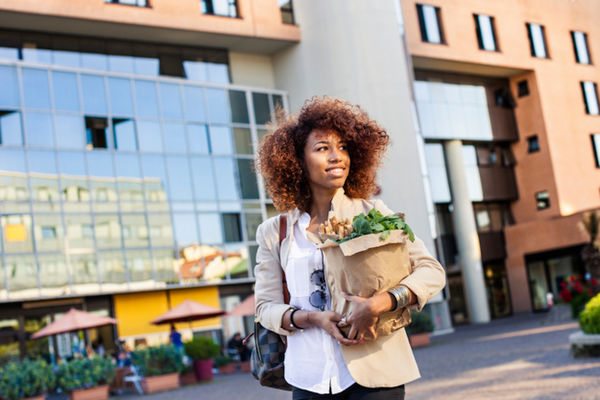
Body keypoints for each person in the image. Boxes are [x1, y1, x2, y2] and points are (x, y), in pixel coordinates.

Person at [254, 97, 446, 399]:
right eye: (322, 148)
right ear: (296, 161)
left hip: (375, 376)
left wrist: (381, 303)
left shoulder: (374, 214)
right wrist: (310, 318)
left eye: (343, 147)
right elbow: (264, 307)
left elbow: (431, 272)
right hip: (309, 379)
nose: (337, 157)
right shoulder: (273, 233)